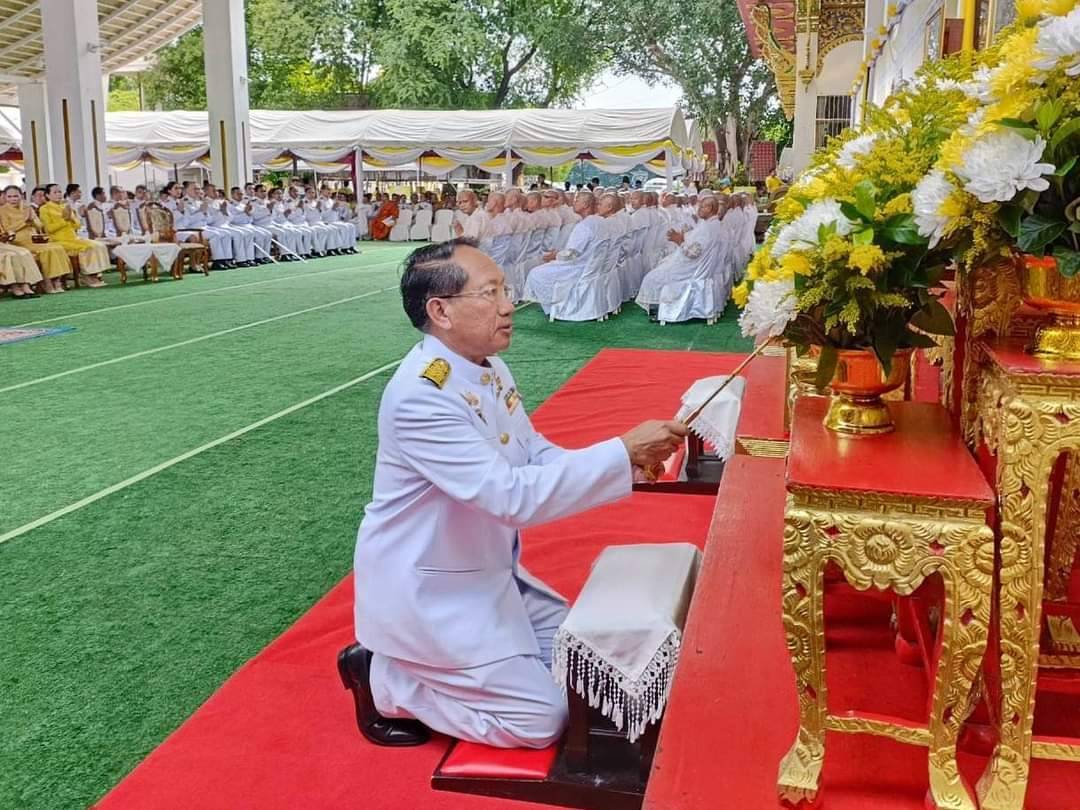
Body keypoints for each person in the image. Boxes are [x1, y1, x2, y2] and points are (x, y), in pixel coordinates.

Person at [340, 238, 686, 748]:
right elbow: (509, 497)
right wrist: (618, 452)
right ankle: (385, 679)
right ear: (441, 311)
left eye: (505, 289)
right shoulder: (421, 397)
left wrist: (627, 461)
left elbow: (532, 454)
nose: (508, 305)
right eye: (490, 292)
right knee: (542, 720)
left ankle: (455, 667)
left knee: (592, 666)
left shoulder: (483, 365)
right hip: (433, 593)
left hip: (487, 575)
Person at [635, 195, 730, 315]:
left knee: (652, 278)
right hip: (695, 265)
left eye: (701, 206)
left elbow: (693, 253)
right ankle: (660, 307)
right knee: (661, 266)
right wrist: (684, 235)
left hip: (692, 268)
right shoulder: (710, 224)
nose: (698, 209)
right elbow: (697, 241)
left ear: (710, 208)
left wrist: (679, 241)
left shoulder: (709, 227)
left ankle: (660, 310)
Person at [521, 192, 607, 313]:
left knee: (536, 273)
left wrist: (555, 256)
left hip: (579, 267)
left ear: (586, 205)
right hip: (592, 266)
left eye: (577, 200)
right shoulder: (600, 221)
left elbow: (571, 254)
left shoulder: (584, 226)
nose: (574, 202)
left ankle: (557, 305)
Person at [0, 186, 70, 293]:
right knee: (46, 251)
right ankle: (47, 283)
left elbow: (40, 225)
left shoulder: (27, 208)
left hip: (34, 239)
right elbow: (7, 229)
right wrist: (24, 222)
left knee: (57, 248)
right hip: (17, 241)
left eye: (15, 196)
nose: (13, 199)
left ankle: (57, 280)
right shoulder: (2, 210)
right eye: (9, 197)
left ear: (21, 196)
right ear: (5, 197)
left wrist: (32, 220)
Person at [39, 183, 111, 286]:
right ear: (47, 195)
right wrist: (65, 220)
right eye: (55, 192)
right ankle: (87, 275)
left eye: (59, 192)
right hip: (58, 240)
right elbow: (49, 229)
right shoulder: (45, 209)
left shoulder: (65, 207)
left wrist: (71, 218)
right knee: (88, 247)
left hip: (73, 238)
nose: (58, 194)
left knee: (99, 245)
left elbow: (77, 225)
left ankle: (95, 274)